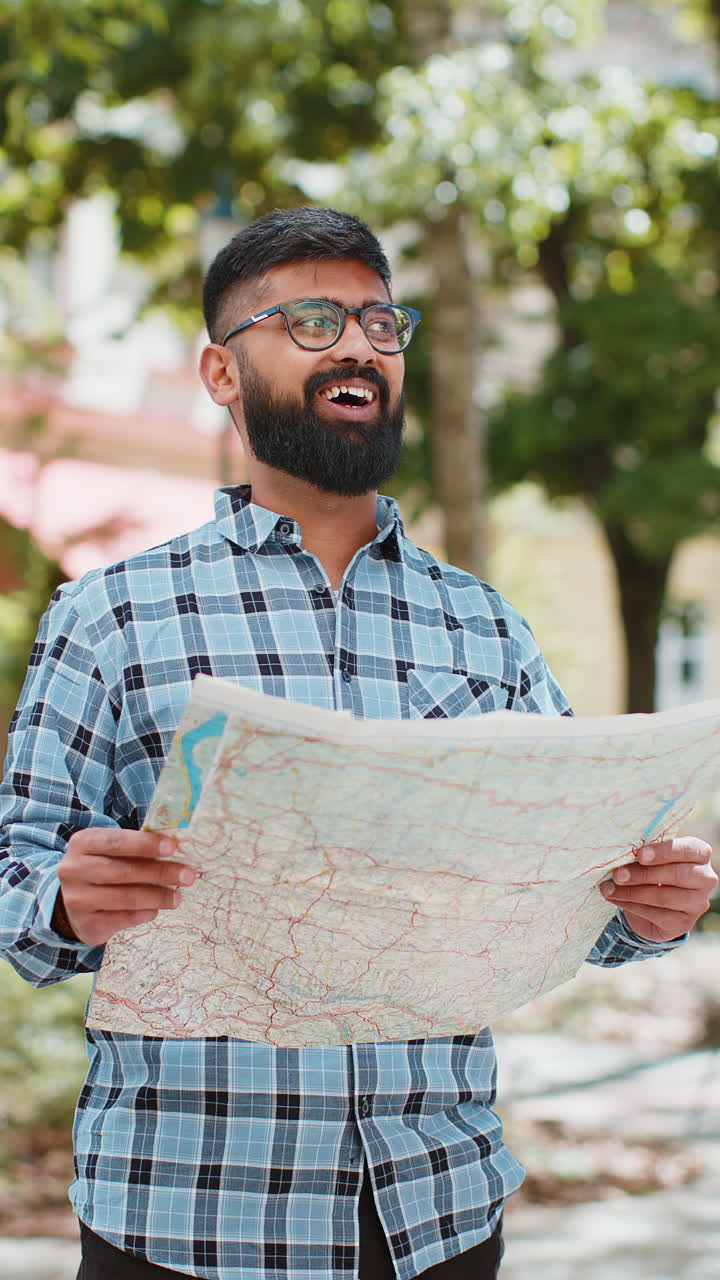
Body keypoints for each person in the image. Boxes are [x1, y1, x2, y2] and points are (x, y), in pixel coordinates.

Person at [0, 206, 715, 1280]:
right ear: (221, 371)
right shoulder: (111, 616)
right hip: (184, 1214)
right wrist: (64, 900)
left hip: (438, 1210)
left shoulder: (485, 627)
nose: (359, 346)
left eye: (381, 322)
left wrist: (648, 906)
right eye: (312, 321)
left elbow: (579, 897)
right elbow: (14, 876)